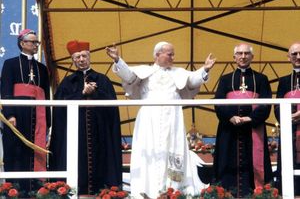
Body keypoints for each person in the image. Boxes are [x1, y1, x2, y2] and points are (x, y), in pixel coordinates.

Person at [106, 41, 216, 198]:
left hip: (173, 118)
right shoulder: (145, 71)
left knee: (173, 150)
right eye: (169, 54)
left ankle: (174, 191)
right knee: (149, 153)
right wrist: (117, 60)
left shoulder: (179, 72)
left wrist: (205, 69)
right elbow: (129, 75)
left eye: (173, 54)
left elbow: (192, 81)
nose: (173, 57)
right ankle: (147, 191)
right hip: (149, 118)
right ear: (157, 55)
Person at [49, 40, 122, 195]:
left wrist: (95, 93)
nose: (81, 60)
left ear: (89, 56)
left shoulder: (102, 79)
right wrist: (81, 94)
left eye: (83, 56)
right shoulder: (67, 82)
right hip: (76, 133)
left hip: (100, 133)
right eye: (77, 57)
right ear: (73, 60)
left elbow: (111, 106)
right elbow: (60, 107)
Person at [213, 43, 273, 198]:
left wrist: (250, 118)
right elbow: (218, 102)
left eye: (247, 53)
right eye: (239, 53)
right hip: (229, 130)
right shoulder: (226, 79)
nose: (243, 56)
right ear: (234, 57)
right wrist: (230, 117)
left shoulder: (261, 79)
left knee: (252, 165)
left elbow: (266, 104)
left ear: (252, 57)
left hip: (252, 131)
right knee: (227, 163)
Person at [0, 29, 50, 194]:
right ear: (22, 43)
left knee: (36, 152)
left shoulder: (42, 68)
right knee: (16, 151)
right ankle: (15, 191)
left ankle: (37, 190)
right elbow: (6, 91)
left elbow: (47, 96)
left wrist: (48, 122)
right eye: (33, 42)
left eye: (37, 42)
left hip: (39, 116)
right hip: (18, 116)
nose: (36, 45)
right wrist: (10, 115)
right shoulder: (10, 64)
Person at [274, 42, 300, 196]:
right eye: (294, 54)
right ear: (288, 57)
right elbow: (277, 106)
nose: (298, 57)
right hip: (290, 131)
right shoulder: (283, 81)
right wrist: (288, 117)